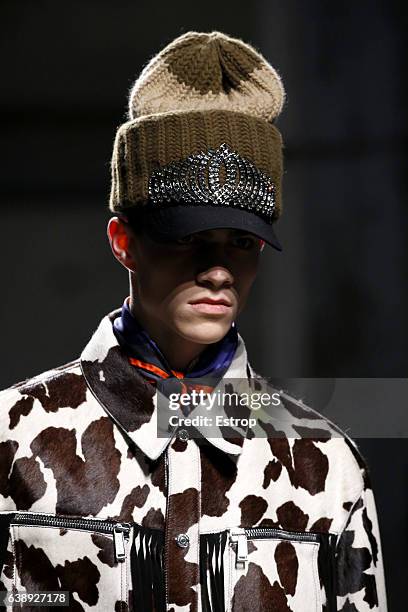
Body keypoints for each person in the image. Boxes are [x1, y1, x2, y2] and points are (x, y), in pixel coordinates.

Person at [0, 31, 386, 612]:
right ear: (124, 241)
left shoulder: (325, 463)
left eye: (243, 242)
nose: (218, 270)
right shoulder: (16, 440)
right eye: (188, 239)